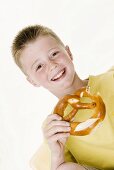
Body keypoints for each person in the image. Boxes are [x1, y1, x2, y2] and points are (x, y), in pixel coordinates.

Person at [11, 25, 114, 170]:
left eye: (54, 54)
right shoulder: (55, 128)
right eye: (39, 66)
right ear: (33, 81)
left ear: (68, 53)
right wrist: (56, 155)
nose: (52, 66)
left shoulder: (111, 78)